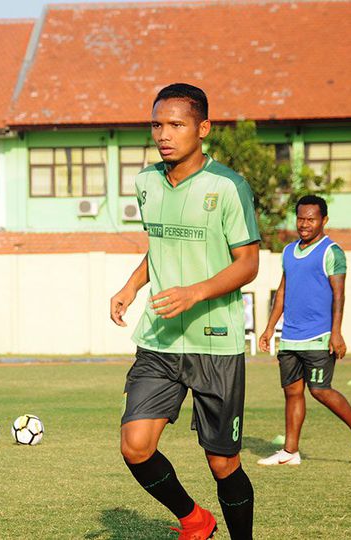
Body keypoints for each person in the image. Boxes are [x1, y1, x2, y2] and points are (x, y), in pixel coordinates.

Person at [110, 83, 259, 540]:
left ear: (203, 128)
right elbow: (159, 244)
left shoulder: (228, 186)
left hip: (215, 341)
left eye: (176, 124)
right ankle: (195, 521)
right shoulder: (146, 182)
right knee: (136, 447)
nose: (163, 133)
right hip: (159, 339)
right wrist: (131, 287)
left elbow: (248, 264)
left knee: (222, 462)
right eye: (157, 124)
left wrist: (194, 293)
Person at [258, 195, 351, 467]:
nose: (305, 224)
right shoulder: (288, 251)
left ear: (324, 220)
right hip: (290, 336)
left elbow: (339, 295)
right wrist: (269, 328)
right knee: (292, 392)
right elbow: (283, 291)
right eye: (301, 218)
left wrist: (336, 333)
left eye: (311, 219)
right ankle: (290, 452)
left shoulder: (331, 252)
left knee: (320, 390)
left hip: (319, 336)